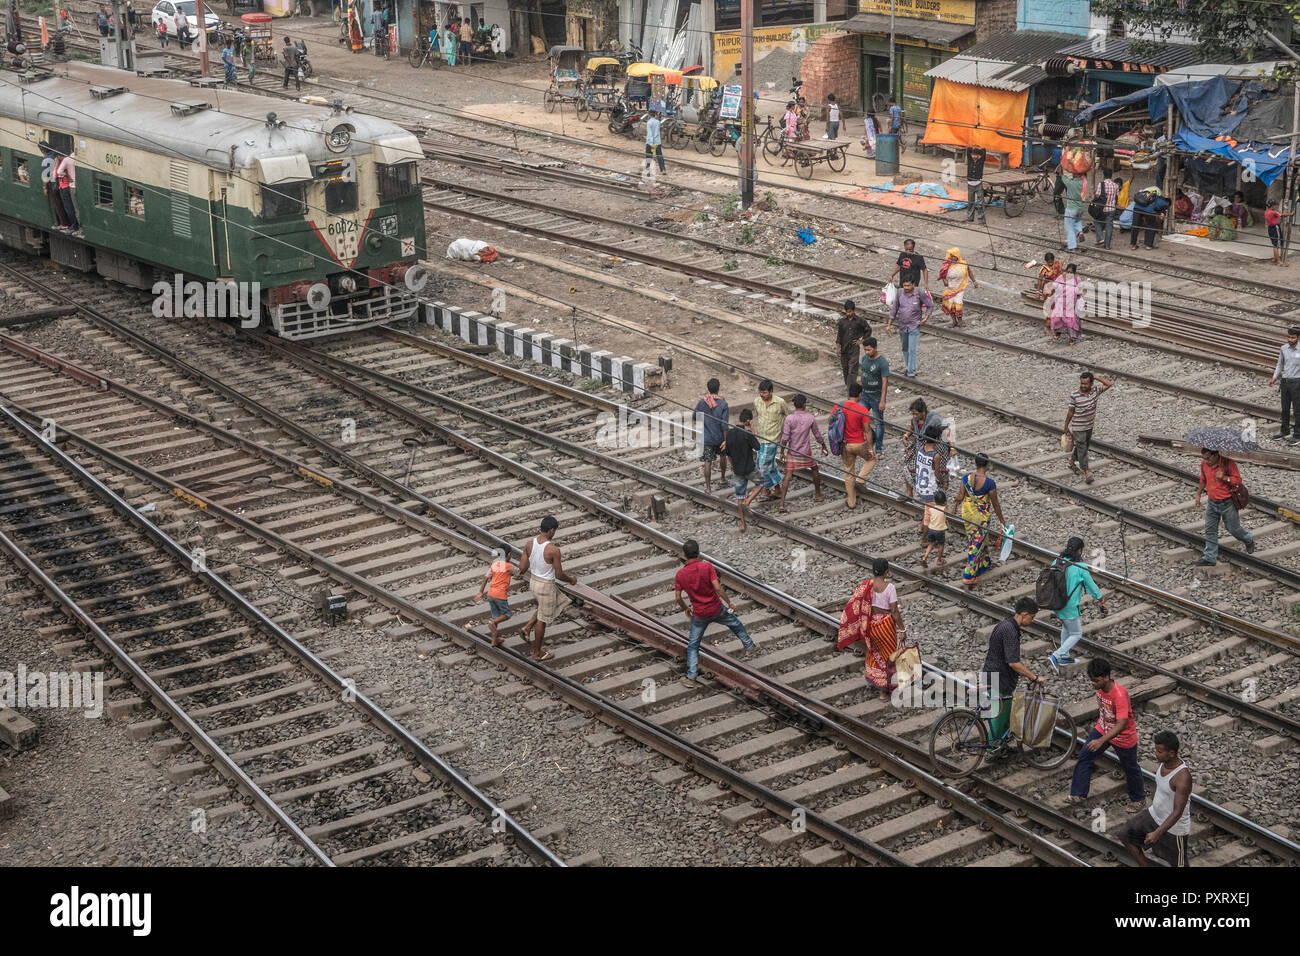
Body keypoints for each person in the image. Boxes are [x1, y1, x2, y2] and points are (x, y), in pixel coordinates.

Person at [1068, 658, 1145, 814]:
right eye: (1091, 680)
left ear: (1106, 677)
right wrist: (1100, 734)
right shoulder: (1100, 688)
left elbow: (1122, 723)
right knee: (1085, 756)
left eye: (1095, 680)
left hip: (1123, 737)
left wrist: (1101, 741)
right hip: (1103, 729)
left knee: (1130, 768)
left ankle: (1138, 799)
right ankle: (1078, 794)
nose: (1093, 684)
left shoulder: (1120, 695)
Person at [674, 539, 755, 687]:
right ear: (698, 553)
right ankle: (749, 646)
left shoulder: (680, 574)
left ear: (684, 555)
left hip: (699, 614)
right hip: (716, 608)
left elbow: (678, 597)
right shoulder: (707, 566)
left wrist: (686, 608)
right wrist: (729, 602)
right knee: (735, 624)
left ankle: (691, 676)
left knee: (693, 644)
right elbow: (717, 588)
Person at [837, 558, 908, 700]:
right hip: (886, 626)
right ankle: (884, 692)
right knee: (888, 657)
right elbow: (894, 611)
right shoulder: (890, 588)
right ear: (887, 572)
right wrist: (902, 629)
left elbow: (855, 604)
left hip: (871, 626)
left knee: (874, 653)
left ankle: (872, 681)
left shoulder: (866, 586)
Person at [1124, 730, 1192, 867]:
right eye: (1156, 750)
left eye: (1159, 751)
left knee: (1179, 865)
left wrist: (1157, 833)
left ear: (1171, 753)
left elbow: (1178, 812)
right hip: (1154, 815)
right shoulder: (1164, 763)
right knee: (1127, 836)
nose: (1156, 753)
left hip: (1175, 829)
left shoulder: (1182, 778)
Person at [981, 597, 1043, 742]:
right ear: (1024, 614)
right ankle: (991, 751)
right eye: (1032, 617)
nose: (1032, 621)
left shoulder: (1005, 625)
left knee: (1004, 716)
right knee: (999, 720)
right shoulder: (1010, 631)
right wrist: (1033, 677)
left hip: (995, 676)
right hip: (999, 680)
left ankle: (1000, 746)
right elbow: (1013, 663)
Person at [517, 515, 576, 662]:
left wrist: (517, 573)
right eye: (554, 531)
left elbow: (523, 568)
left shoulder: (529, 544)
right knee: (542, 621)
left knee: (549, 605)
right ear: (551, 531)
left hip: (533, 582)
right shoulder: (553, 550)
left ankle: (526, 628)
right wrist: (571, 580)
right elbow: (559, 574)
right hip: (546, 585)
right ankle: (537, 653)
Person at [1046, 536, 1107, 673]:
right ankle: (1056, 656)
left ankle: (1066, 657)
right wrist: (1101, 599)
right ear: (1080, 551)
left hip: (1056, 603)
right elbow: (1090, 586)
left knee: (1066, 627)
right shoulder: (1080, 567)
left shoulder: (1057, 561)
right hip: (1069, 607)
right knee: (1076, 633)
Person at [952, 452, 1005, 586]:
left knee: (977, 538)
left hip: (968, 513)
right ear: (986, 465)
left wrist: (956, 502)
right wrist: (1002, 520)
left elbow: (961, 496)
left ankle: (984, 563)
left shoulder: (966, 478)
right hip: (981, 517)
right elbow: (995, 504)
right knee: (977, 542)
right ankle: (968, 575)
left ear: (975, 464)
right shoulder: (989, 483)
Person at [1196, 447, 1254, 565]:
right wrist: (1198, 495)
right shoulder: (1204, 464)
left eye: (1208, 458)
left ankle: (1248, 539)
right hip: (1212, 502)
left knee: (1233, 529)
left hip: (1227, 503)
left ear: (1215, 455)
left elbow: (1238, 481)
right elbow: (1203, 480)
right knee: (1210, 529)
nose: (1206, 461)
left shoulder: (1229, 464)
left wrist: (1224, 478)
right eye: (1204, 458)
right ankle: (1210, 558)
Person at [776, 394, 827, 513]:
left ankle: (782, 504)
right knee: (815, 469)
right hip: (805, 452)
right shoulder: (810, 418)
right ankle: (818, 494)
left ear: (794, 405)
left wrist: (782, 451)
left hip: (793, 453)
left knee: (788, 476)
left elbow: (785, 438)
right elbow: (817, 434)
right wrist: (823, 445)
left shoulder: (789, 419)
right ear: (804, 405)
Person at [1063, 371, 1113, 484]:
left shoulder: (1095, 391)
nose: (1083, 386)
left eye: (1085, 383)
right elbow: (1070, 412)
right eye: (1081, 383)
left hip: (1089, 425)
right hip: (1078, 427)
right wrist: (1066, 426)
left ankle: (1071, 462)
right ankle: (1086, 472)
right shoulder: (1074, 395)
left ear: (1091, 384)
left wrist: (1096, 377)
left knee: (1083, 446)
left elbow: (1109, 384)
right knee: (1082, 449)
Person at [722, 408, 762, 530]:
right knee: (762, 483)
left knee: (739, 497)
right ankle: (748, 501)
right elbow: (758, 447)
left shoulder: (729, 434)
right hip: (749, 468)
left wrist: (732, 465)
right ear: (748, 421)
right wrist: (752, 429)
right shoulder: (747, 434)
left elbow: (728, 453)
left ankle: (743, 524)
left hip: (738, 470)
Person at [836, 382, 873, 509]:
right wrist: (871, 448)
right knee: (872, 459)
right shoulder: (863, 410)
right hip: (859, 443)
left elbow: (832, 422)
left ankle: (851, 502)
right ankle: (861, 479)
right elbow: (867, 430)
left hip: (846, 444)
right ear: (859, 395)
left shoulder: (840, 406)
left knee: (849, 472)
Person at [901, 398, 948, 498]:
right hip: (920, 448)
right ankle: (910, 494)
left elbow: (947, 431)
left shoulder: (934, 419)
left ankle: (937, 494)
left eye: (916, 414)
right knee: (908, 468)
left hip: (934, 447)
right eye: (913, 414)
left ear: (923, 412)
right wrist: (906, 436)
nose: (914, 416)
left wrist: (952, 448)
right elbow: (912, 428)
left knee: (935, 471)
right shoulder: (915, 419)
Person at [886, 278, 932, 378]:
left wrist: (925, 318)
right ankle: (909, 367)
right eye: (905, 286)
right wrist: (889, 325)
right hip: (902, 326)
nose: (906, 288)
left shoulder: (919, 293)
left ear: (913, 285)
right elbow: (894, 310)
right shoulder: (899, 293)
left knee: (912, 349)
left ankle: (911, 372)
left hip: (914, 326)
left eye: (908, 286)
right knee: (905, 348)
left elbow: (930, 305)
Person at [752, 380, 788, 499]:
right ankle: (777, 489)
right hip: (761, 438)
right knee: (768, 465)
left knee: (762, 466)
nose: (762, 395)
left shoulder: (780, 403)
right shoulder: (757, 402)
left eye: (765, 393)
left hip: (773, 439)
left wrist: (786, 437)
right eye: (761, 392)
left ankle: (765, 490)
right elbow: (758, 416)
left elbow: (788, 418)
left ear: (771, 391)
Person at [693, 377, 729, 493]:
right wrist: (725, 440)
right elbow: (724, 425)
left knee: (707, 461)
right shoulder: (723, 404)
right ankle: (723, 478)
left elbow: (694, 416)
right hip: (719, 438)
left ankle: (708, 488)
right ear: (718, 389)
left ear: (708, 389)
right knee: (722, 457)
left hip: (707, 438)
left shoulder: (702, 402)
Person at [474, 547, 515, 645]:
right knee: (507, 614)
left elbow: (485, 578)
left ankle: (494, 641)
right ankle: (491, 623)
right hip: (500, 595)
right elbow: (519, 572)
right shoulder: (509, 566)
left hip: (491, 593)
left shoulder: (495, 565)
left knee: (495, 615)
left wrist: (480, 592)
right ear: (509, 555)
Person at [1269, 325, 1300, 443]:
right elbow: (1280, 364)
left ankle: (1297, 435)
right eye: (1289, 337)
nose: (1290, 340)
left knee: (1297, 410)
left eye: (1293, 337)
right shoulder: (1284, 349)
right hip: (1285, 382)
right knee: (1285, 409)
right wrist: (1274, 378)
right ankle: (1285, 430)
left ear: (1298, 337)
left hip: (1297, 382)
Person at [859, 338, 888, 460]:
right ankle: (873, 437)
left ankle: (879, 449)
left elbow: (885, 382)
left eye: (869, 349)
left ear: (875, 348)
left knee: (878, 422)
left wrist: (882, 400)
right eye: (865, 349)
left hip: (876, 397)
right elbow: (862, 374)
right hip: (865, 395)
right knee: (858, 416)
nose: (866, 352)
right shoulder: (865, 359)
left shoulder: (882, 362)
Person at [835, 299, 869, 390]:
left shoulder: (859, 321)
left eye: (850, 311)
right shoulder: (842, 322)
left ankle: (851, 388)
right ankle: (848, 385)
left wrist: (861, 341)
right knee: (845, 369)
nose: (849, 313)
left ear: (854, 310)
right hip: (844, 349)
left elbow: (868, 330)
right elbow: (839, 336)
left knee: (853, 369)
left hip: (854, 349)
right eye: (847, 312)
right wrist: (838, 348)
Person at [1046, 263, 1083, 345]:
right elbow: (1054, 286)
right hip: (1060, 303)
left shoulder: (1077, 279)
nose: (1069, 274)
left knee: (1071, 322)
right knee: (1057, 319)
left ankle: (1072, 339)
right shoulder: (1061, 277)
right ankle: (1057, 334)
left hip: (1070, 305)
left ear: (1074, 273)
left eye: (1071, 272)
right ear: (1066, 271)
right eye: (1068, 272)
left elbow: (1081, 290)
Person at [938, 248, 977, 327]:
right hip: (950, 288)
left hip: (960, 287)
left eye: (954, 256)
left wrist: (974, 281)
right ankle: (954, 321)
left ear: (957, 256)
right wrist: (944, 280)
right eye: (951, 256)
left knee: (958, 304)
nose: (952, 258)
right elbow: (942, 274)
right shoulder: (946, 264)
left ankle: (960, 321)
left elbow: (969, 271)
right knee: (950, 305)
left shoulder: (963, 263)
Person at [39, 143, 69, 231]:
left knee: (57, 204)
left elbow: (45, 176)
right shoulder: (55, 154)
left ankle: (64, 223)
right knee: (64, 203)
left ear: (42, 150)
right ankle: (67, 222)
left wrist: (44, 187)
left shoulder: (46, 160)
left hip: (53, 184)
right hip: (61, 181)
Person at [54, 150, 79, 234]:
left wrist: (66, 175)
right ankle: (76, 226)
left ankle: (74, 226)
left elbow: (57, 173)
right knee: (75, 207)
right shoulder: (75, 156)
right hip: (72, 186)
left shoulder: (65, 161)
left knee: (69, 208)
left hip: (65, 186)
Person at [1092, 169, 1119, 248]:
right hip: (1111, 209)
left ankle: (1100, 238)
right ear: (1111, 176)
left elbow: (1097, 195)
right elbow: (1117, 196)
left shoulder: (1101, 184)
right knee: (1109, 226)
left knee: (1096, 221)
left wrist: (1095, 193)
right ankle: (1107, 246)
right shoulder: (1116, 185)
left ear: (1103, 175)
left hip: (1102, 209)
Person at [921, 488, 947, 568]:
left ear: (935, 501)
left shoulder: (931, 509)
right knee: (941, 545)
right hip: (940, 531)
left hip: (931, 529)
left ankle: (924, 557)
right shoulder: (944, 509)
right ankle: (939, 560)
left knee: (931, 544)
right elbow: (952, 514)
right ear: (945, 501)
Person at [1265, 199, 1294, 267]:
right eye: (1275, 205)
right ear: (1272, 206)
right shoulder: (1273, 212)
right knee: (1276, 245)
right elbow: (1282, 215)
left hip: (1270, 228)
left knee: (1275, 244)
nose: (1275, 206)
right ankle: (1279, 261)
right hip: (1275, 228)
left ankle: (1276, 258)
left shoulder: (1266, 212)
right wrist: (1291, 214)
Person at [1062, 171, 1086, 251]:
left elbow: (1063, 177)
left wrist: (1064, 169)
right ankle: (1080, 232)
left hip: (1071, 208)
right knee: (1077, 221)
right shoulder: (1083, 182)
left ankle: (1072, 247)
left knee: (1069, 227)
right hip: (1081, 208)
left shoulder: (1070, 183)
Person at [964, 145, 987, 225]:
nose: (974, 156)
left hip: (978, 184)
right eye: (973, 154)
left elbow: (984, 150)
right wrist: (973, 148)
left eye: (976, 155)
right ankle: (970, 218)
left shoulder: (981, 161)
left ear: (978, 155)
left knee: (981, 203)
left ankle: (981, 220)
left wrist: (978, 150)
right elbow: (968, 149)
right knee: (970, 202)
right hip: (970, 184)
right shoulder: (969, 160)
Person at [644, 112, 664, 177]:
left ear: (649, 115)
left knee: (648, 157)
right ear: (655, 115)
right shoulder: (658, 122)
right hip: (657, 142)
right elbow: (656, 132)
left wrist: (651, 143)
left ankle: (647, 170)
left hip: (650, 143)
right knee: (659, 156)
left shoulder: (649, 122)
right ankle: (663, 169)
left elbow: (650, 133)